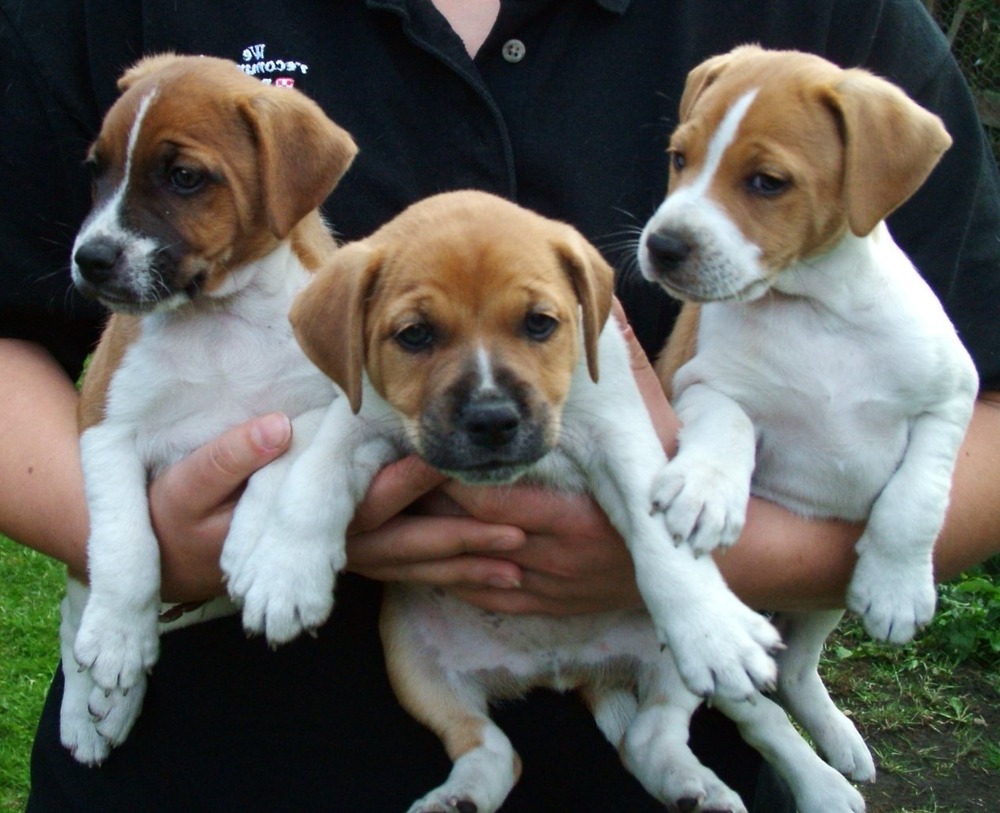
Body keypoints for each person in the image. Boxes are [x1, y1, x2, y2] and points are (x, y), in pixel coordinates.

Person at [2, 0, 998, 810]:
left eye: (539, 324)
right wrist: (140, 553)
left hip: (658, 736)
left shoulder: (832, 29)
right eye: (679, 161)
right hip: (218, 759)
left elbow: (974, 399)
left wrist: (717, 562)